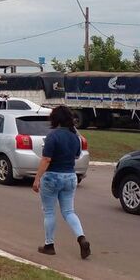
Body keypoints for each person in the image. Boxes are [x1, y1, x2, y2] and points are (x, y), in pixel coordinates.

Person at [33, 105, 91, 259]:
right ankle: (81, 238)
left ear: (55, 119)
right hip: (70, 177)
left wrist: (37, 178)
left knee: (49, 212)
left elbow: (46, 159)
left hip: (52, 176)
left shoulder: (53, 136)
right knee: (69, 212)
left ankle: (49, 245)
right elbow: (77, 156)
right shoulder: (75, 137)